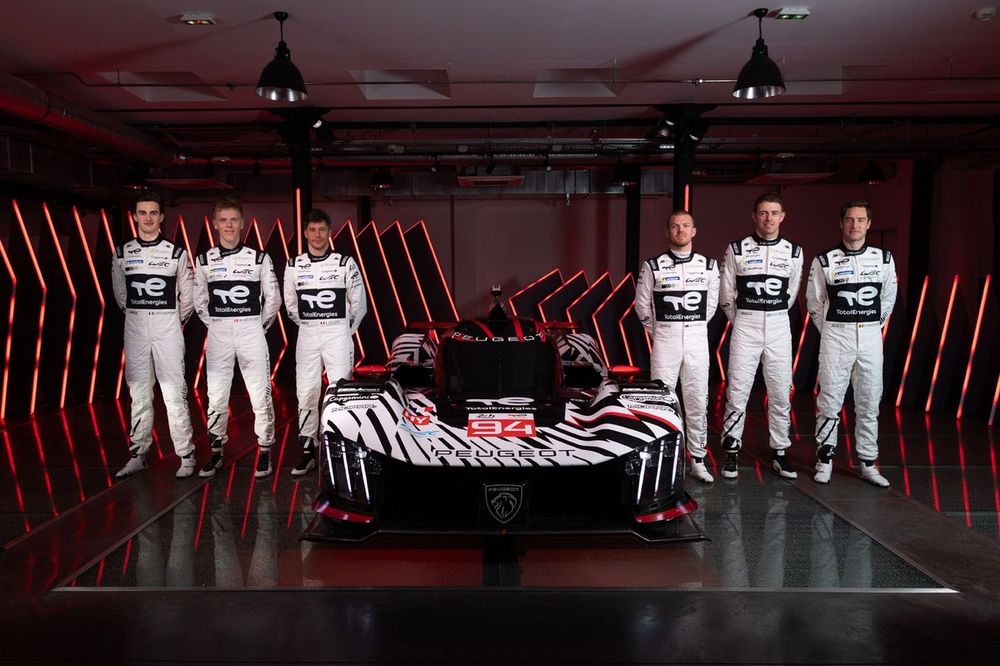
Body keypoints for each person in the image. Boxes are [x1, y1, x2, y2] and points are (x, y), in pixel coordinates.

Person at [806, 200, 897, 487]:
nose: (854, 225)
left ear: (868, 224)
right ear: (841, 223)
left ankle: (868, 462)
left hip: (870, 337)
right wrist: (832, 330)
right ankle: (825, 459)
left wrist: (872, 325)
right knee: (829, 400)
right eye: (849, 219)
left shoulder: (883, 259)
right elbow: (814, 302)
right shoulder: (825, 259)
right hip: (836, 337)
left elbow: (888, 298)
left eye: (860, 220)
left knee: (869, 401)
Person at [194, 198, 281, 478]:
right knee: (216, 396)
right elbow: (198, 301)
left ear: (242, 223)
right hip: (219, 332)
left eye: (234, 220)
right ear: (215, 224)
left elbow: (274, 299)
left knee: (260, 395)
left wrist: (258, 326)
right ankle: (216, 451)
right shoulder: (204, 260)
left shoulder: (259, 258)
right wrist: (217, 324)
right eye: (223, 220)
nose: (229, 225)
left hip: (251, 331)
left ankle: (265, 450)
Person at [112, 191, 197, 479]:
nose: (147, 218)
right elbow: (121, 295)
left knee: (174, 393)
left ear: (161, 217)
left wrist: (172, 321)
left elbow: (188, 298)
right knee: (138, 394)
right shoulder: (122, 253)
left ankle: (186, 454)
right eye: (142, 212)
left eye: (153, 213)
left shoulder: (176, 253)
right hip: (135, 328)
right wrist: (139, 316)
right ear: (135, 216)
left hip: (167, 328)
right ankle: (138, 454)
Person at [719, 193, 803, 480]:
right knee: (738, 390)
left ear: (783, 216)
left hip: (779, 325)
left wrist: (771, 314)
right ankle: (731, 451)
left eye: (774, 213)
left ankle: (780, 452)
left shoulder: (794, 251)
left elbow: (791, 293)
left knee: (780, 392)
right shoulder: (736, 249)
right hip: (746, 324)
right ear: (754, 216)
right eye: (763, 213)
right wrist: (744, 319)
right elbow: (726, 295)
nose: (769, 218)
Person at [635, 210, 719, 483]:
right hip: (665, 341)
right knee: (662, 401)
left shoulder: (709, 266)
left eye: (685, 226)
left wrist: (692, 327)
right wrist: (661, 331)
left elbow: (711, 306)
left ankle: (698, 459)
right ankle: (665, 459)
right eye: (675, 226)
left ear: (694, 231)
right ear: (667, 232)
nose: (680, 231)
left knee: (697, 400)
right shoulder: (652, 265)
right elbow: (641, 306)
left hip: (697, 340)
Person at [283, 208, 367, 476]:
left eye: (322, 230)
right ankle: (308, 450)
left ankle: (340, 448)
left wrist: (343, 330)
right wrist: (310, 325)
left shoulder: (345, 263)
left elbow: (360, 304)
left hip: (337, 335)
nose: (317, 235)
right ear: (305, 233)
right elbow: (290, 305)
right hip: (307, 335)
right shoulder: (293, 265)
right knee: (306, 392)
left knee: (340, 393)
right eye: (312, 230)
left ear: (329, 232)